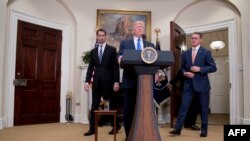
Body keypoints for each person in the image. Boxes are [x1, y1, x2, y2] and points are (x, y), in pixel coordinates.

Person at [169, 32, 217, 137]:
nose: (193, 40)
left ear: (200, 40)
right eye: (192, 38)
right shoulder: (185, 53)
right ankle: (177, 129)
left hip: (202, 86)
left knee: (204, 109)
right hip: (188, 85)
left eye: (196, 38)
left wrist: (199, 69)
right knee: (183, 107)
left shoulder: (206, 52)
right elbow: (182, 69)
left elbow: (213, 67)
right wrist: (185, 73)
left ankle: (204, 130)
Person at [117, 21, 155, 140]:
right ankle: (129, 136)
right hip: (129, 81)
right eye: (137, 27)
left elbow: (156, 60)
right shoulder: (125, 43)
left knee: (145, 110)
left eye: (142, 27)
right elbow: (119, 56)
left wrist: (158, 72)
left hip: (146, 83)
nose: (140, 29)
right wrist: (120, 59)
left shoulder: (150, 45)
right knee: (129, 111)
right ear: (133, 30)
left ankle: (145, 134)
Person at [83, 28, 121, 136]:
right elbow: (90, 68)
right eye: (99, 35)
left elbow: (115, 68)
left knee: (111, 105)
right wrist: (86, 82)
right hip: (96, 83)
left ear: (106, 36)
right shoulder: (93, 52)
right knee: (94, 105)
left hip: (108, 82)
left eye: (103, 35)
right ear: (97, 37)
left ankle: (116, 125)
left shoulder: (112, 50)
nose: (101, 37)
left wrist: (116, 82)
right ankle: (92, 129)